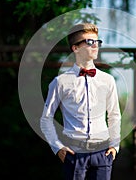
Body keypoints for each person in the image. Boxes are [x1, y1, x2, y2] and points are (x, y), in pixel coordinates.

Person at [40, 23, 121, 180]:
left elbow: (114, 115)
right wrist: (57, 147)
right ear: (75, 48)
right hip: (74, 154)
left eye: (97, 41)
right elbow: (45, 119)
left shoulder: (108, 80)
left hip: (103, 154)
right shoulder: (60, 82)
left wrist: (115, 146)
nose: (95, 45)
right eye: (89, 42)